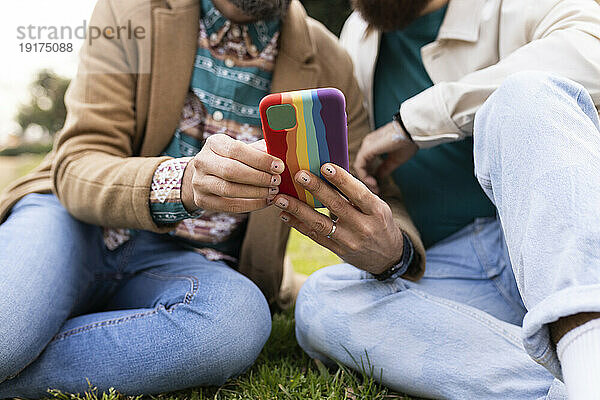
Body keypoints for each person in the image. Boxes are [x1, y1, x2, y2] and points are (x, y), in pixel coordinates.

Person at [0, 0, 373, 396]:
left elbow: (377, 190)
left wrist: (394, 249)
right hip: (74, 223)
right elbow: (78, 160)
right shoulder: (128, 11)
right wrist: (181, 182)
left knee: (235, 324)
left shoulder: (332, 60)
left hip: (189, 265)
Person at [286, 0, 600, 398]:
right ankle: (579, 379)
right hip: (454, 266)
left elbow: (593, 51)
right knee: (322, 300)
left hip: (567, 240)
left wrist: (415, 123)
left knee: (525, 95)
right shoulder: (358, 35)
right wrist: (393, 249)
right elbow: (374, 176)